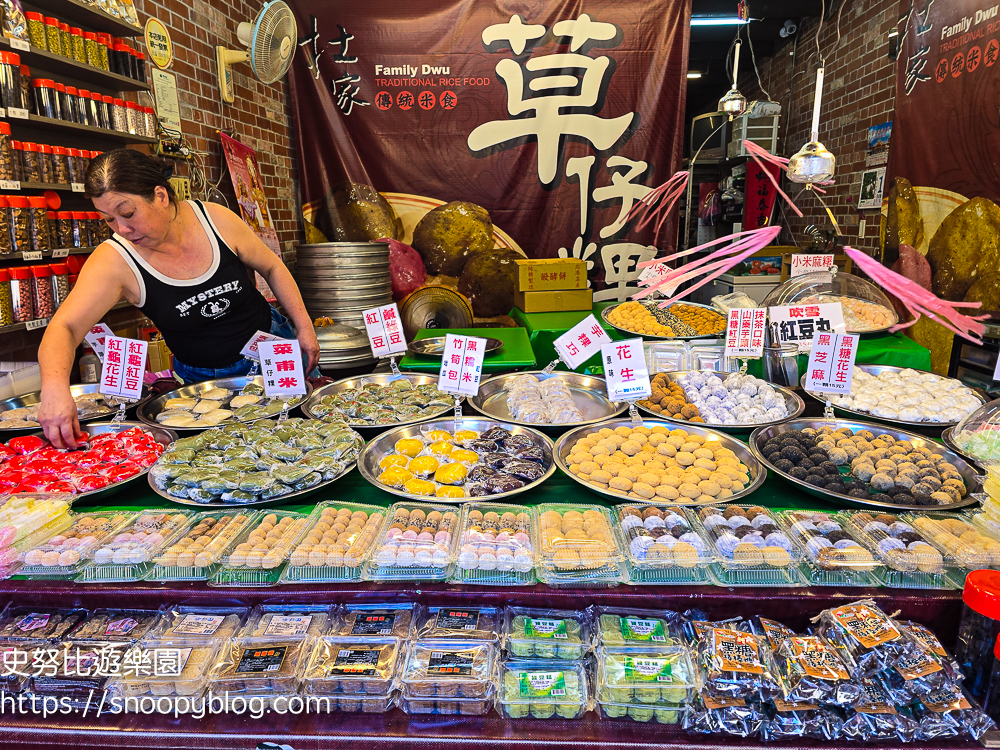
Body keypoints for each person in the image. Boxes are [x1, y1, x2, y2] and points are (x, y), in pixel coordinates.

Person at [37, 149, 320, 449]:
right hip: (204, 384)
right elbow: (64, 328)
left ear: (160, 195)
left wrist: (303, 326)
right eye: (109, 219)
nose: (122, 229)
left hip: (275, 354)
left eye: (128, 213)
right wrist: (53, 390)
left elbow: (272, 267)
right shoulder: (114, 262)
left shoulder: (215, 219)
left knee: (307, 443)